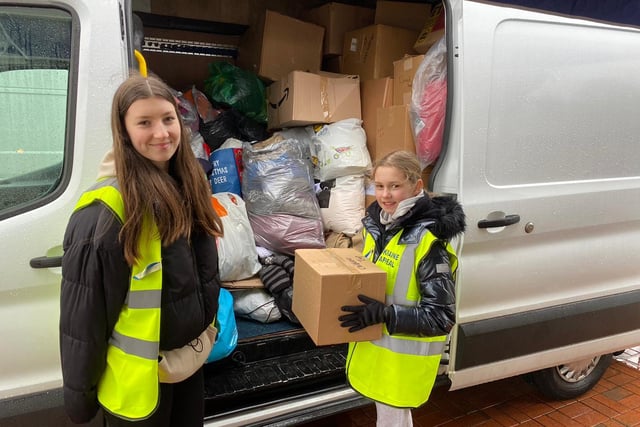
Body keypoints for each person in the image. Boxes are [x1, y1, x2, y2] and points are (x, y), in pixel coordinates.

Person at [59, 72, 223, 426]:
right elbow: (83, 319)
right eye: (144, 122)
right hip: (138, 386)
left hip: (187, 366)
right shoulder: (106, 212)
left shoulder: (191, 184)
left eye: (168, 119)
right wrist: (80, 397)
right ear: (124, 131)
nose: (162, 133)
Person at [339, 150, 465, 427]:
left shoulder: (430, 242)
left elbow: (441, 317)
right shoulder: (379, 226)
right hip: (380, 354)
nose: (385, 195)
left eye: (395, 186)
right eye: (380, 186)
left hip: (404, 361)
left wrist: (385, 315)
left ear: (416, 186)